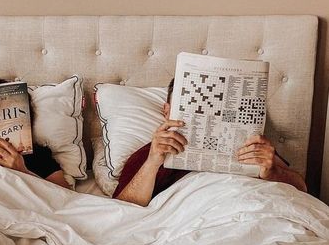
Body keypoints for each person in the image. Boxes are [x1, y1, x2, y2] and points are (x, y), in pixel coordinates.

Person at [113, 80, 307, 207]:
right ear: (167, 111)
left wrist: (273, 172)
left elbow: (302, 189)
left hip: (251, 208)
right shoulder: (147, 154)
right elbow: (122, 209)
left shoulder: (247, 144)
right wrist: (153, 162)